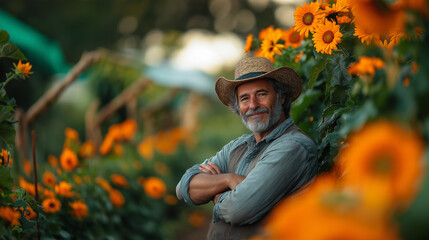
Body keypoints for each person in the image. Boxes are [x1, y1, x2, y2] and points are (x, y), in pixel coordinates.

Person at [176, 56, 318, 240]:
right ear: (238, 106)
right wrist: (228, 179)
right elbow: (183, 187)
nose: (253, 105)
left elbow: (238, 209)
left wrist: (216, 194)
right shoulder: (238, 146)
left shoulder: (294, 146)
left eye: (261, 94)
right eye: (244, 98)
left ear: (281, 97)